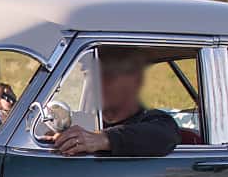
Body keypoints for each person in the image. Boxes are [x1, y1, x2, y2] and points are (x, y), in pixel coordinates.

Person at [49, 45, 182, 157]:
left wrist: (103, 139)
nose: (95, 83)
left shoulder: (156, 121)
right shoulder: (81, 120)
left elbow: (163, 136)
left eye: (108, 76)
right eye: (89, 75)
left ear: (133, 81)